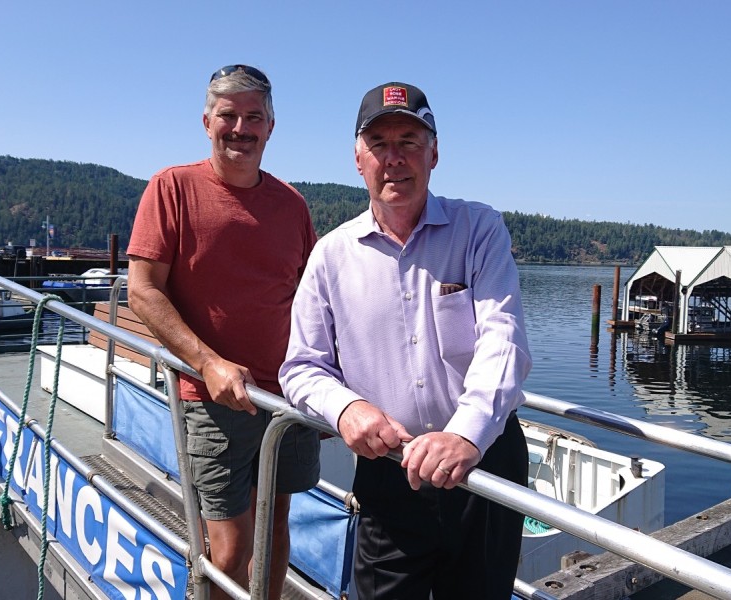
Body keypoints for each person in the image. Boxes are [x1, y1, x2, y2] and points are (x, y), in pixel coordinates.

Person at [279, 82, 532, 600]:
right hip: (390, 469)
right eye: (380, 144)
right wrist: (347, 409)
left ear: (434, 152)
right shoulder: (330, 256)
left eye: (409, 142)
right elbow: (301, 366)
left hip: (483, 461)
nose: (394, 159)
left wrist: (465, 433)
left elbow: (503, 341)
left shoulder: (479, 229)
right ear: (358, 159)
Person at [126, 64, 320, 600]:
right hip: (213, 399)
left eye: (253, 116)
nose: (241, 128)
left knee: (277, 527)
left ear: (271, 127)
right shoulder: (173, 187)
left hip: (287, 397)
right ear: (207, 122)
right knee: (230, 551)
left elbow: (311, 297)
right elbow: (142, 290)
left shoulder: (292, 205)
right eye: (229, 116)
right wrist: (208, 362)